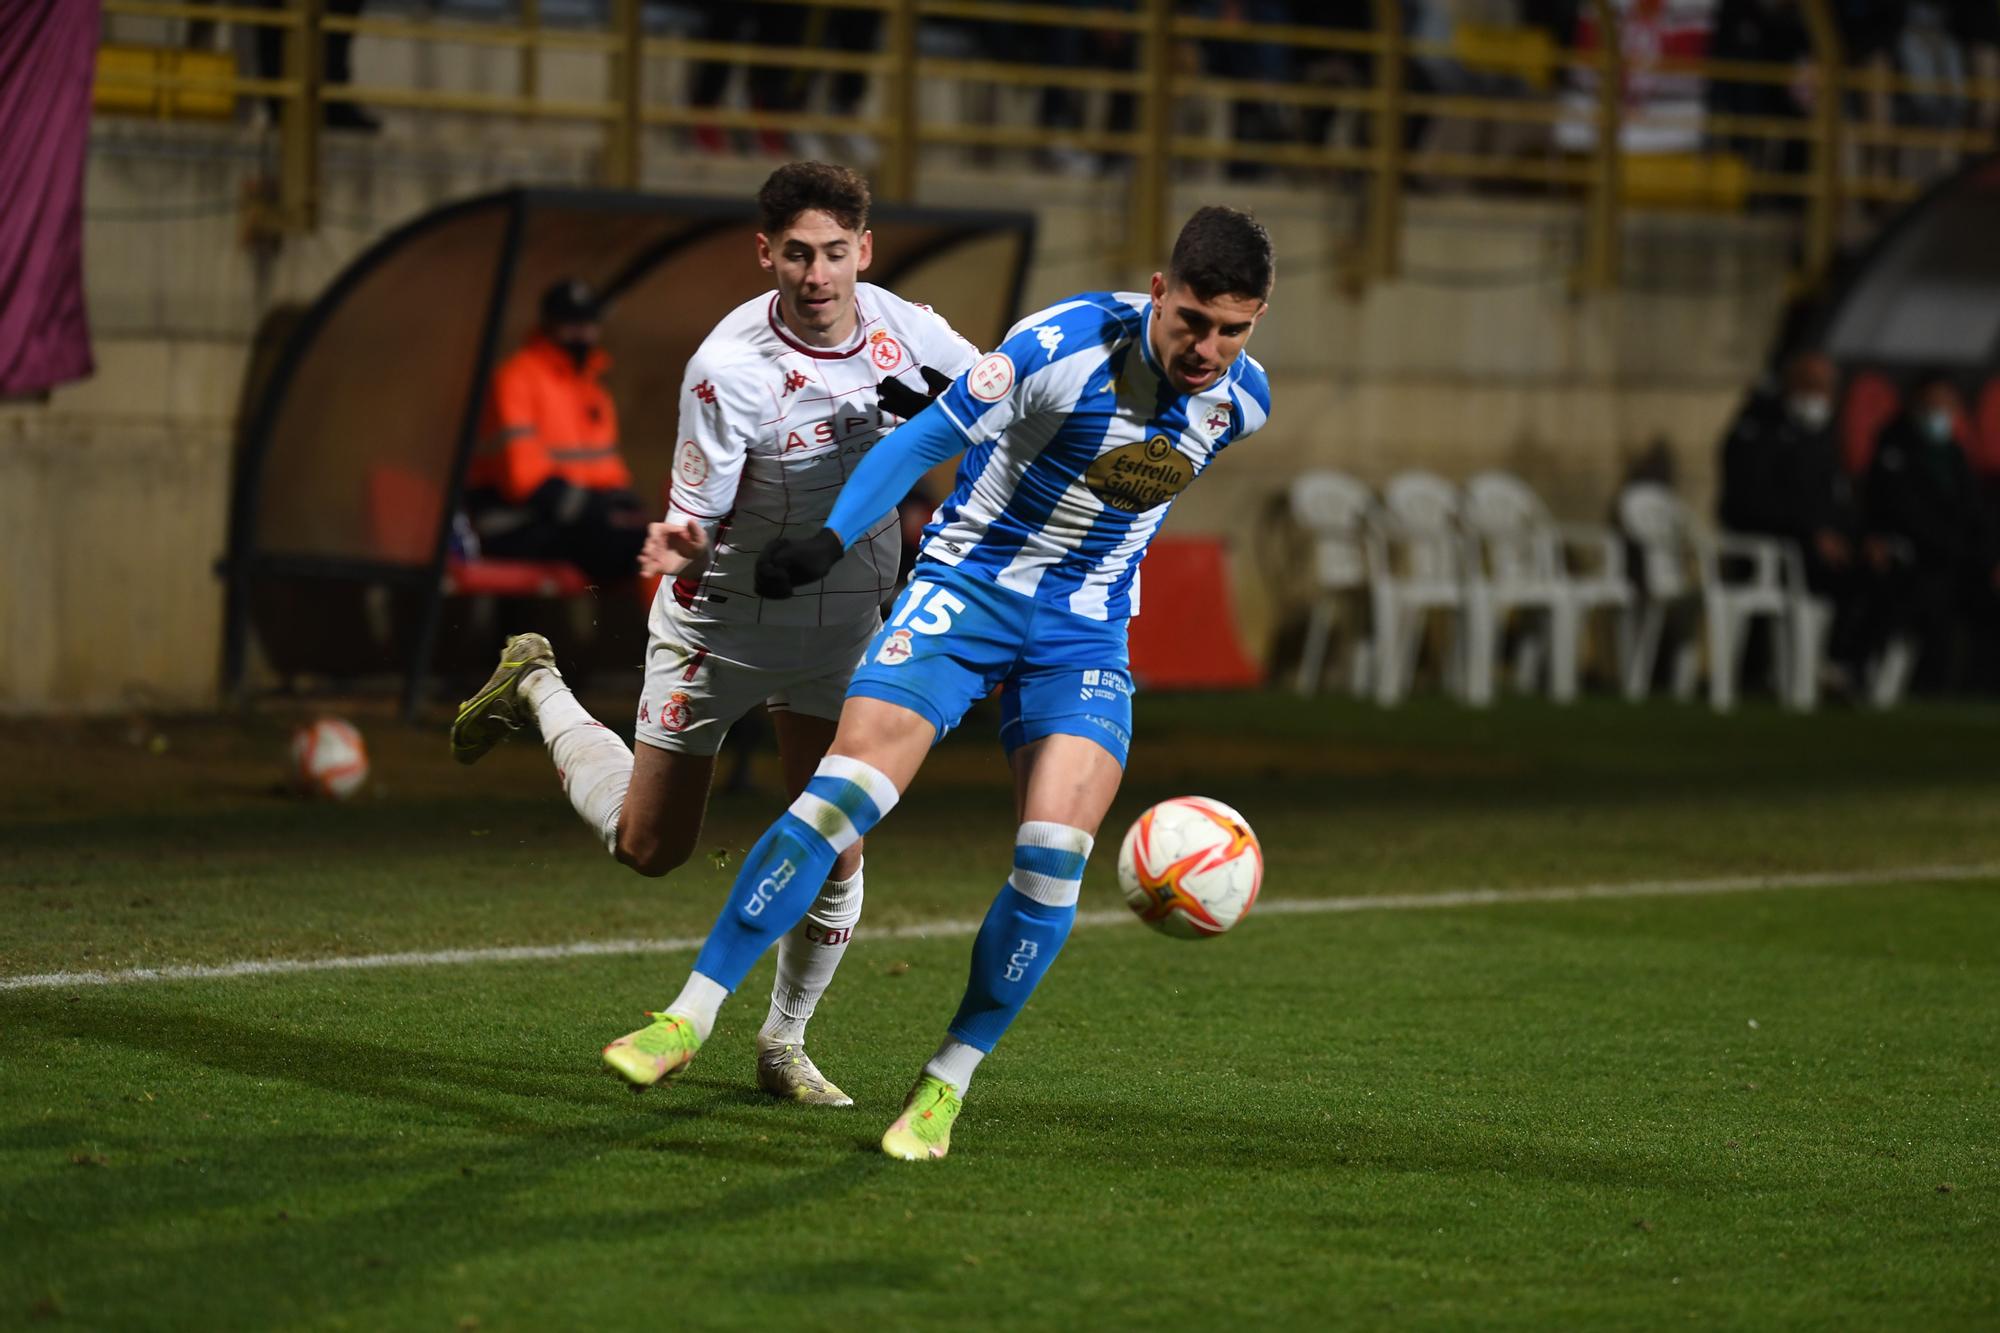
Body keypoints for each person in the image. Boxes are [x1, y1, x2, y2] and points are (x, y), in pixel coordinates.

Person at [596, 205, 1275, 1162]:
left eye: (1232, 331)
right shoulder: (1058, 345)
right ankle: (689, 1015)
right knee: (842, 798)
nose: (1207, 349)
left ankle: (945, 1082)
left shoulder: (1242, 403)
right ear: (1157, 293)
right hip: (968, 591)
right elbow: (921, 444)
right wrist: (833, 538)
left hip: (1082, 634)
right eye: (1191, 322)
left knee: (1050, 857)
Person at [449, 163, 980, 1107]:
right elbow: (693, 521)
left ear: (864, 250)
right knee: (651, 847)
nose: (816, 277)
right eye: (796, 256)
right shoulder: (726, 367)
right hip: (725, 619)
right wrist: (682, 542)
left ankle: (784, 1043)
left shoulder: (914, 332)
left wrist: (956, 448)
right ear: (765, 253)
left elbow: (997, 411)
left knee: (837, 837)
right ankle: (536, 682)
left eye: (833, 254)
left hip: (846, 619)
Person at [461, 279, 649, 586]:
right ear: (549, 324)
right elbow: (524, 480)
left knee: (654, 540)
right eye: (572, 322)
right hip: (515, 522)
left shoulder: (592, 390)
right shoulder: (516, 378)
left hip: (572, 522)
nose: (583, 332)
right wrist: (597, 509)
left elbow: (607, 470)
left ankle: (668, 631)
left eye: (589, 322)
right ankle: (665, 634)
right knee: (639, 548)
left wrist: (622, 503)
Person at [1716, 350, 1878, 683]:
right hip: (1772, 547)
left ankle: (1842, 664)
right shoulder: (1757, 429)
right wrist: (1811, 532)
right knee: (1837, 576)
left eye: (1827, 386)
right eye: (1811, 384)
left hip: (1819, 546)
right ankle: (1799, 669)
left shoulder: (1822, 436)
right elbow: (1749, 502)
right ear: (1789, 384)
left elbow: (1838, 501)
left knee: (1884, 572)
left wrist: (1856, 537)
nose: (1820, 394)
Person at [1864, 375, 2000, 693]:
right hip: (1922, 557)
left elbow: (1975, 514)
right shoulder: (1894, 447)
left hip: (1958, 558)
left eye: (1947, 404)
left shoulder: (1953, 453)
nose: (1940, 412)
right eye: (1933, 403)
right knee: (1920, 596)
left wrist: (1992, 558)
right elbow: (1899, 511)